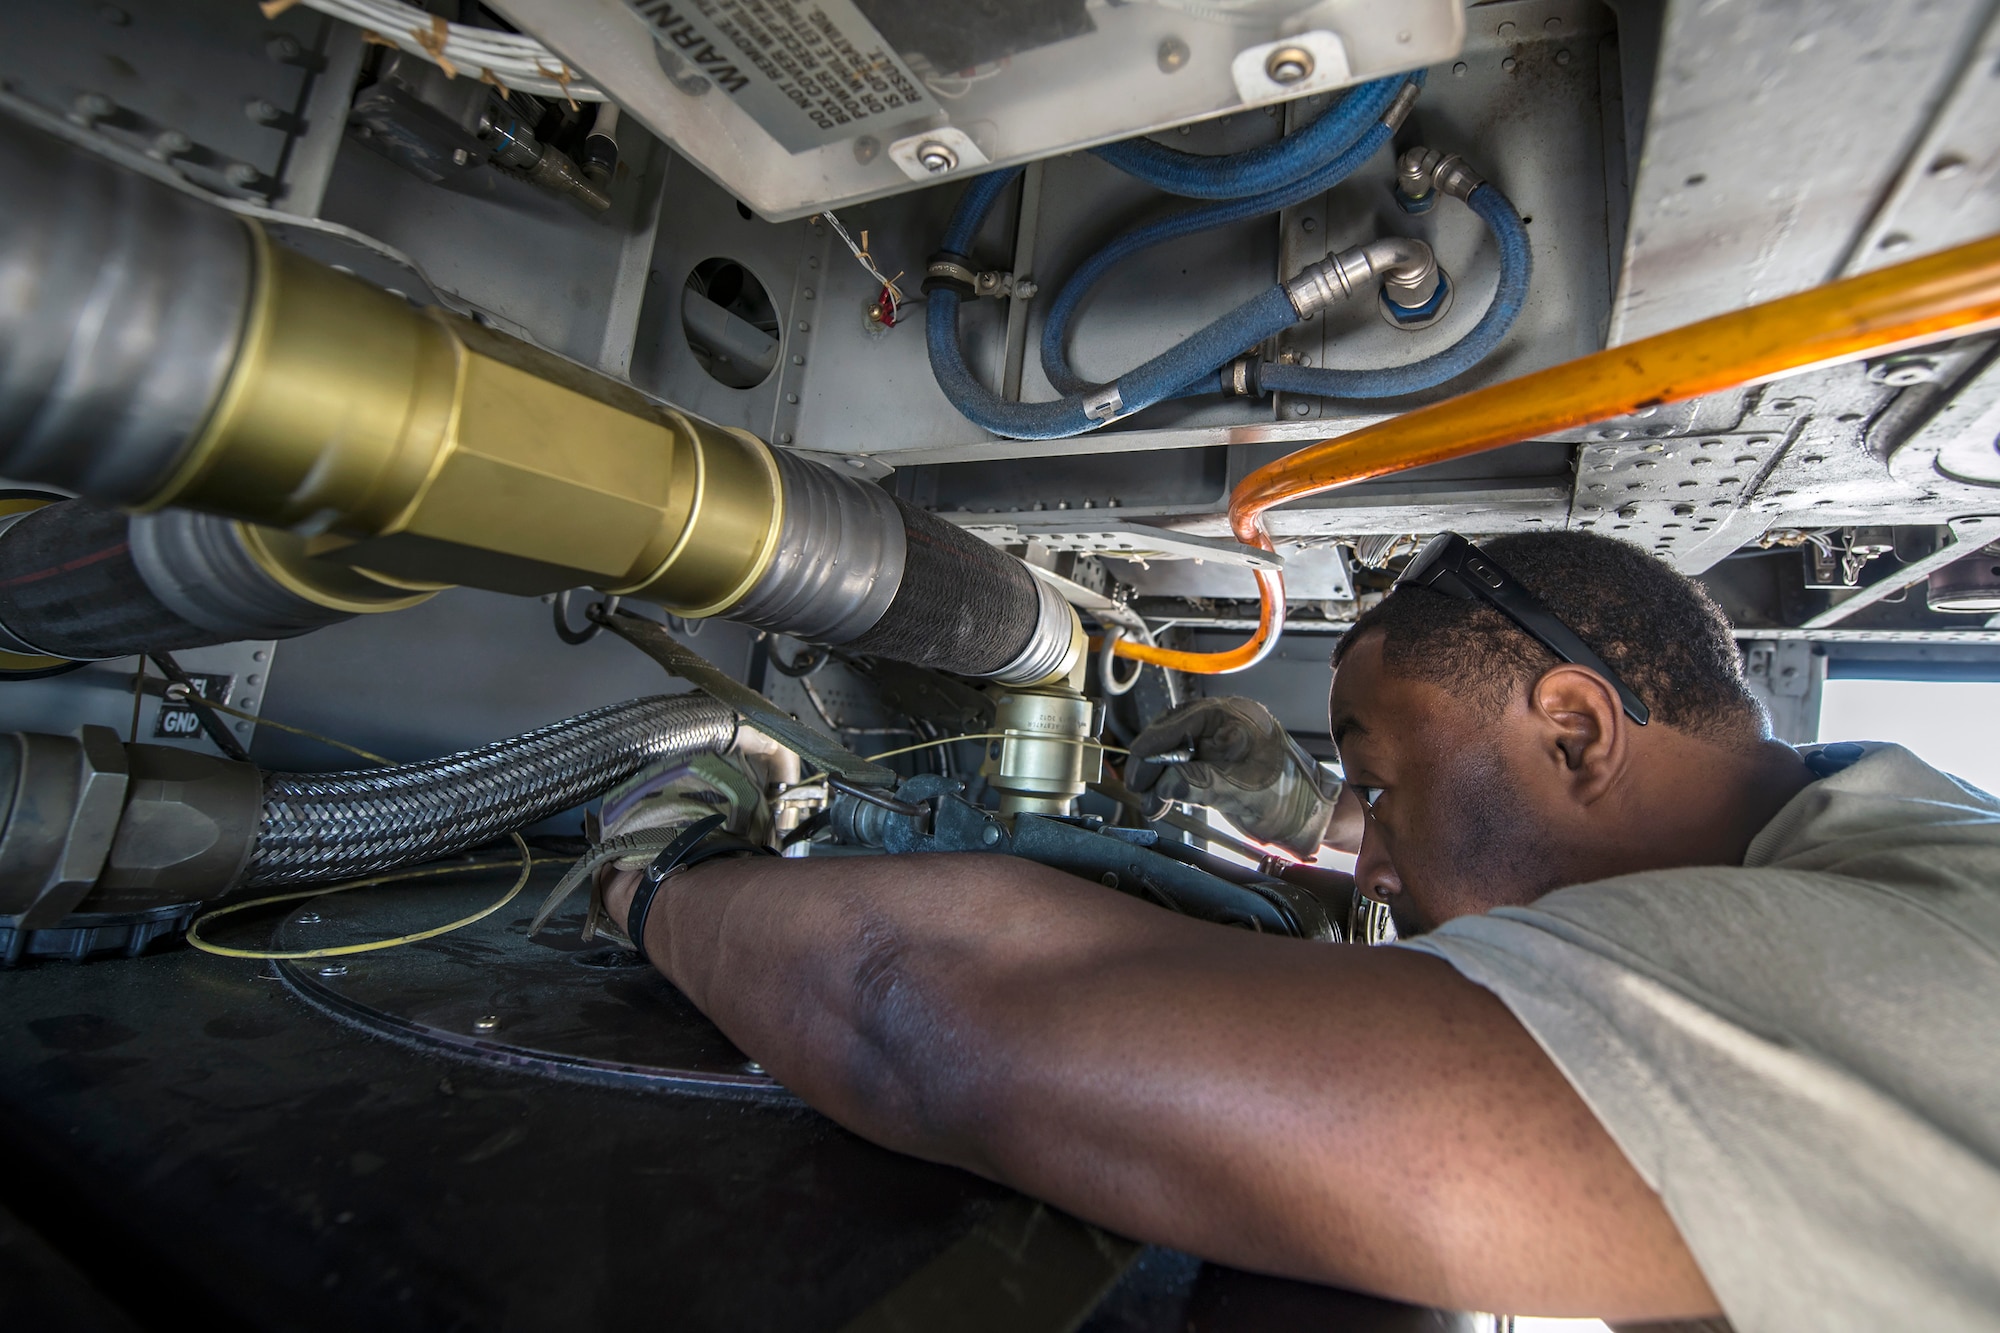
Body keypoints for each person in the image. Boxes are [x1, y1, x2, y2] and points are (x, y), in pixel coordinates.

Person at [577, 530, 2000, 1330]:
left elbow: (932, 1016)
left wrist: (657, 881)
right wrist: (1307, 797)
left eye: (1380, 792)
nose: (1368, 854)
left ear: (1574, 727)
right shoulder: (1878, 851)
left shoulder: (1905, 967)